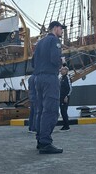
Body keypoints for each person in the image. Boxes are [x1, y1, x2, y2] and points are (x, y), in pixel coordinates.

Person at [33, 21, 67, 154]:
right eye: (61, 28)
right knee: (51, 110)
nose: (62, 31)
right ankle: (46, 142)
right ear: (55, 28)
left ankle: (40, 140)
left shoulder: (40, 42)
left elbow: (33, 62)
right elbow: (54, 59)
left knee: (40, 110)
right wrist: (62, 62)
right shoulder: (54, 41)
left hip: (38, 78)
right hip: (49, 78)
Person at [59, 66, 72, 131]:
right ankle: (65, 125)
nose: (60, 71)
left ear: (66, 71)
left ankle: (67, 126)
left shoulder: (67, 77)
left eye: (62, 70)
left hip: (65, 97)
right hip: (61, 97)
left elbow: (70, 88)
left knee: (64, 111)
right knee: (62, 111)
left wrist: (67, 96)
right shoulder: (61, 78)